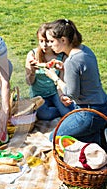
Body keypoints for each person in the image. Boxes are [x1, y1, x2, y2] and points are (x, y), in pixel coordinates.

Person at [44, 19, 107, 148]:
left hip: (89, 113)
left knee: (53, 138)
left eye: (51, 41)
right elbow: (85, 77)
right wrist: (65, 69)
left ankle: (93, 137)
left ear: (63, 40)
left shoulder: (71, 61)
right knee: (81, 135)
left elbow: (71, 94)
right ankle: (95, 137)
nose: (49, 45)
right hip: (102, 107)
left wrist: (54, 77)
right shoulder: (84, 50)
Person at [25, 23, 74, 120]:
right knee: (45, 115)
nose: (44, 45)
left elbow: (61, 81)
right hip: (38, 96)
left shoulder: (61, 57)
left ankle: (59, 107)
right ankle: (56, 109)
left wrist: (61, 97)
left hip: (55, 92)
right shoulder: (32, 55)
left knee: (67, 113)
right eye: (41, 41)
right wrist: (32, 72)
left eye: (47, 41)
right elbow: (28, 82)